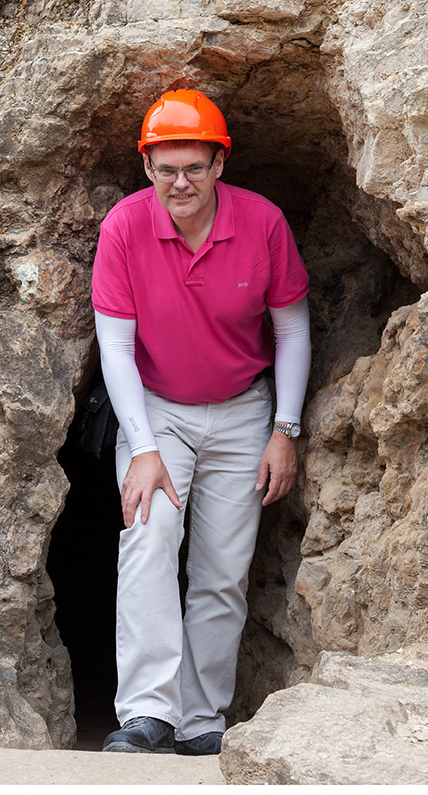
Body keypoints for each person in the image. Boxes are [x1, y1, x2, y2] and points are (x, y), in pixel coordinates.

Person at [93, 89, 311, 756]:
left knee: (223, 568)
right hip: (156, 406)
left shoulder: (262, 222)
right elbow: (115, 347)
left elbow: (293, 330)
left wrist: (285, 428)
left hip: (245, 409)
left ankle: (201, 720)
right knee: (150, 541)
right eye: (166, 168)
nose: (180, 182)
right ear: (147, 166)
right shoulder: (125, 228)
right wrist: (143, 447)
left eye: (194, 166)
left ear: (219, 163)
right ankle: (148, 712)